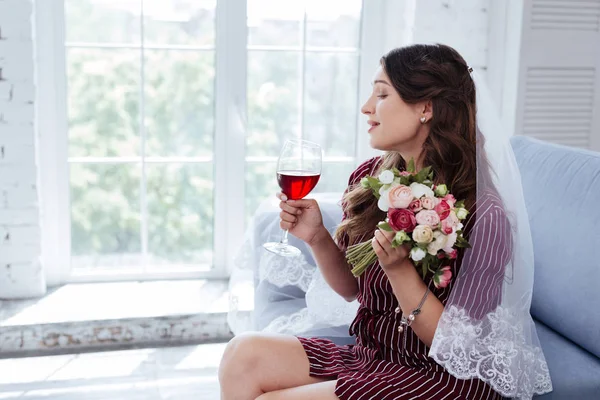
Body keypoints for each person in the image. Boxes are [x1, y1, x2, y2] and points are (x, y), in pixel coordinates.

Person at [219, 43, 552, 400]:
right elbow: (352, 289)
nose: (366, 107)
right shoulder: (369, 179)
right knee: (242, 355)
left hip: (442, 378)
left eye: (382, 94)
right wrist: (316, 237)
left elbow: (458, 346)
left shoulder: (483, 213)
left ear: (426, 108)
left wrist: (399, 269)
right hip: (374, 358)